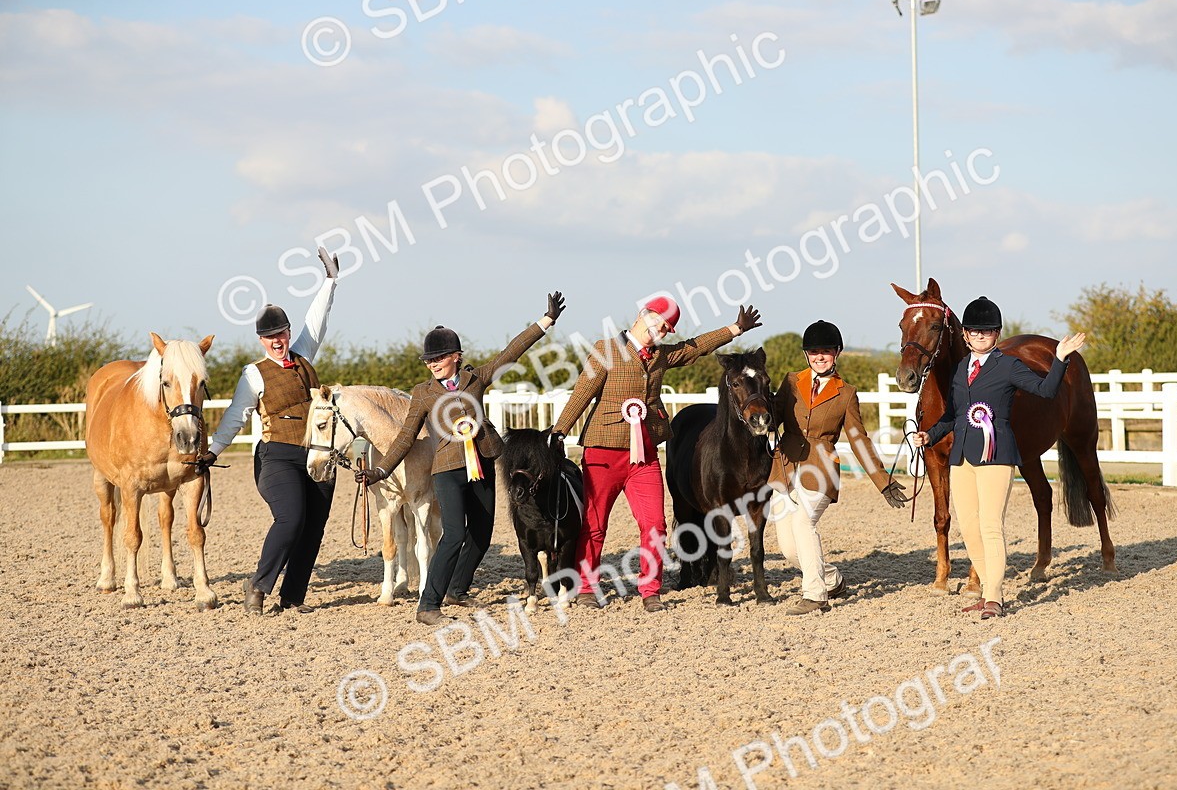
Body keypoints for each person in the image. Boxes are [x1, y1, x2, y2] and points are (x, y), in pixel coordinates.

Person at [357, 292, 566, 626]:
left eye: (438, 357)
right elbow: (406, 436)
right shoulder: (423, 392)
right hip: (447, 470)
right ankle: (428, 605)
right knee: (454, 533)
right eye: (428, 360)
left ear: (456, 356)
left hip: (482, 463)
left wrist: (545, 322)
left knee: (482, 535)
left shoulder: (476, 378)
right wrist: (381, 471)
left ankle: (456, 589)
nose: (432, 363)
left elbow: (510, 352)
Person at [550, 297, 763, 613]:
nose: (661, 331)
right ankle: (585, 587)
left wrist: (734, 329)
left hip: (645, 454)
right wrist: (560, 430)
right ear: (642, 315)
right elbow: (582, 393)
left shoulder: (662, 355)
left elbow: (694, 347)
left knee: (656, 526)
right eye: (659, 322)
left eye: (667, 328)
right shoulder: (605, 349)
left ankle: (650, 590)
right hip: (603, 451)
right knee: (594, 525)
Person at [912, 297, 1086, 620]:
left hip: (996, 455)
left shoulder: (1008, 365)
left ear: (997, 333)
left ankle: (994, 595)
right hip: (962, 457)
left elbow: (1045, 390)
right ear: (964, 335)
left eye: (987, 331)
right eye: (974, 331)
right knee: (968, 526)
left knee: (991, 525)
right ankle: (989, 584)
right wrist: (930, 435)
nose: (980, 336)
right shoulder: (961, 368)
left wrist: (1060, 359)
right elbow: (953, 415)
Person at [200, 247, 340, 615]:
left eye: (282, 333)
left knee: (314, 528)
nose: (278, 340)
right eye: (270, 336)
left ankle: (293, 598)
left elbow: (317, 320)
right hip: (276, 456)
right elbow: (236, 415)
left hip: (318, 455)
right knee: (291, 518)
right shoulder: (254, 373)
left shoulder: (304, 352)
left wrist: (330, 282)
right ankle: (259, 586)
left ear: (288, 332)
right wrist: (214, 450)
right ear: (261, 340)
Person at [768, 320, 909, 615]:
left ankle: (816, 595)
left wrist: (883, 480)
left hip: (820, 470)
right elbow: (773, 416)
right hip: (785, 468)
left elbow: (858, 438)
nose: (820, 357)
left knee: (804, 524)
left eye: (826, 351)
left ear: (837, 353)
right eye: (814, 351)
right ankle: (832, 579)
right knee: (789, 549)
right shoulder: (792, 381)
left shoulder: (846, 393)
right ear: (806, 354)